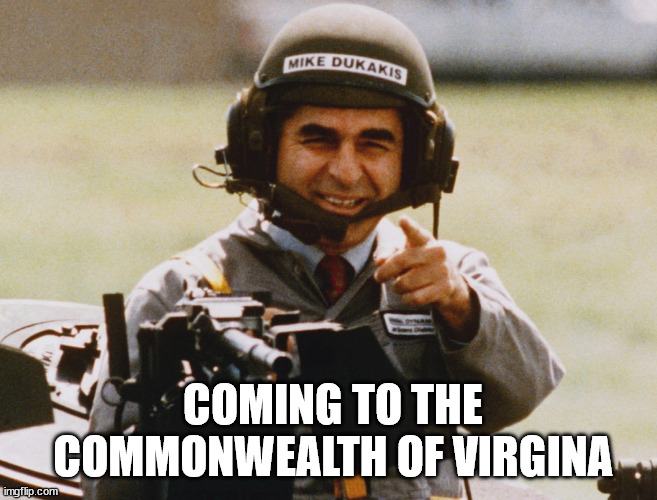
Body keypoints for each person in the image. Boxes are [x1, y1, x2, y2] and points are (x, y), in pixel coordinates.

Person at [84, 3, 564, 499]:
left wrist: (462, 309)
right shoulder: (182, 292)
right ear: (261, 147)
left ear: (419, 161)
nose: (346, 172)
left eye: (374, 144)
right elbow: (107, 480)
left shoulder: (446, 279)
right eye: (318, 140)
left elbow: (523, 392)